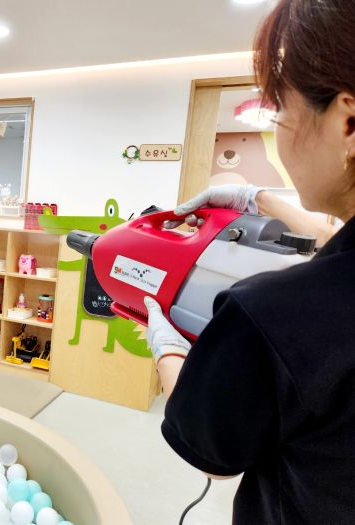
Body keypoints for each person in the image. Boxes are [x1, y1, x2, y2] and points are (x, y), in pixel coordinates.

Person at [144, 1, 355, 523]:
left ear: (347, 122)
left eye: (279, 112)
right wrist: (259, 199)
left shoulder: (274, 312)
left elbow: (212, 455)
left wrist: (167, 346)